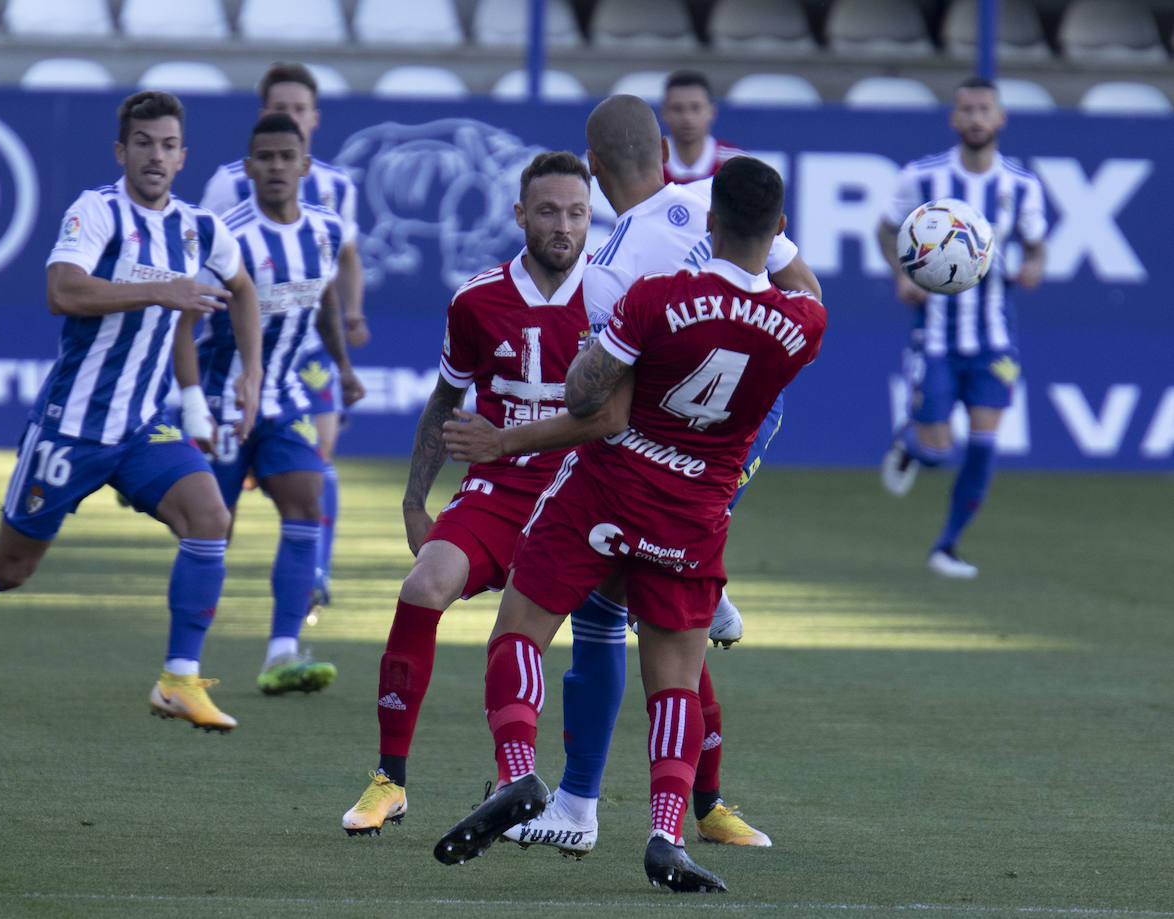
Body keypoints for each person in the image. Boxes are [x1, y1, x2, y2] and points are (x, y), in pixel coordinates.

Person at [433, 156, 827, 892]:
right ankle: (666, 833)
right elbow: (805, 289)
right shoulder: (802, 326)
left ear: (709, 224)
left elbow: (588, 396)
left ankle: (518, 773)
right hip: (695, 511)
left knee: (519, 624)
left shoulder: (656, 297)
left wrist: (597, 362)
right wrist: (781, 253)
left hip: (608, 490)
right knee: (675, 681)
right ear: (775, 230)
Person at [0, 91, 262, 732]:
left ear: (183, 156)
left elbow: (243, 289)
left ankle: (179, 678)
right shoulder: (96, 211)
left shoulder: (200, 228)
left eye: (167, 145)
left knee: (210, 518)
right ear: (121, 150)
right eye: (142, 143)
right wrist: (161, 289)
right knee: (11, 566)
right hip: (71, 428)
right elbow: (62, 291)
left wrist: (251, 372)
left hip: (142, 425)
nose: (155, 156)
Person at [340, 151, 603, 836]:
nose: (563, 226)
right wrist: (411, 499)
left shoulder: (613, 295)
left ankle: (707, 800)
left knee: (671, 622)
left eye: (576, 212)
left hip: (588, 493)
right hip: (499, 490)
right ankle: (390, 780)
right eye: (548, 211)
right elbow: (444, 400)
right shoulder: (477, 299)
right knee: (423, 585)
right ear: (520, 215)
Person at [186, 113, 364, 694]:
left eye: (288, 157)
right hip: (224, 401)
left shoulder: (325, 229)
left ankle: (282, 653)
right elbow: (184, 321)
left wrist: (341, 368)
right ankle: (183, 664)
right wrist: (190, 401)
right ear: (248, 167)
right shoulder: (227, 234)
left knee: (306, 500)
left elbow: (326, 302)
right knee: (212, 531)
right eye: (265, 157)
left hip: (285, 396)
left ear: (306, 165)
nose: (277, 167)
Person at [877, 77, 1046, 579]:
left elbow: (1036, 245)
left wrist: (1036, 265)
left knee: (985, 443)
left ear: (1000, 119)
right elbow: (887, 229)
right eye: (967, 109)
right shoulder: (921, 178)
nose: (975, 118)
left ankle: (946, 547)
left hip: (995, 337)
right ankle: (913, 447)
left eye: (984, 109)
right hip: (934, 334)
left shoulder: (1022, 185)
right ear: (954, 119)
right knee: (937, 448)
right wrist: (900, 274)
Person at [659, 70, 743, 186]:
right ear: (664, 113)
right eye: (677, 108)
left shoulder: (737, 164)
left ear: (712, 112)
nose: (687, 117)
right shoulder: (648, 165)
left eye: (696, 108)